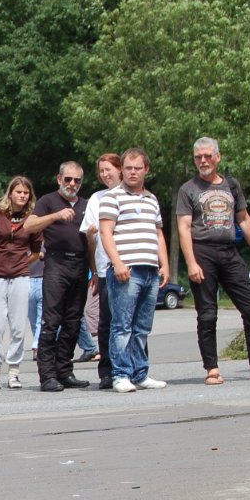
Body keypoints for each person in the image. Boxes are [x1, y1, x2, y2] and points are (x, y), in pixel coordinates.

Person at [174, 137, 250, 383]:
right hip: (202, 251)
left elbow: (244, 219)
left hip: (229, 251)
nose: (203, 161)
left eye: (207, 156)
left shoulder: (231, 185)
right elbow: (183, 228)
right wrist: (191, 262)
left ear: (218, 157)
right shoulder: (188, 189)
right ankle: (212, 368)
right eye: (198, 157)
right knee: (207, 314)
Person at [99, 148, 170, 392]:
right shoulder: (112, 196)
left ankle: (141, 373)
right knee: (122, 325)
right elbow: (105, 232)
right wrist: (117, 262)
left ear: (146, 170)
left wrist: (165, 264)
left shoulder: (151, 199)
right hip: (126, 269)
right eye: (128, 168)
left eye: (137, 168)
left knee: (142, 327)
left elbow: (158, 233)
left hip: (150, 270)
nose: (132, 172)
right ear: (122, 170)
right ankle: (120, 374)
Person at [24, 161, 91, 392]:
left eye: (77, 180)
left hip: (81, 263)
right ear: (59, 179)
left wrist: (95, 273)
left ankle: (65, 370)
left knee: (73, 321)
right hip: (56, 262)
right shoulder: (48, 201)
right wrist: (55, 216)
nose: (72, 184)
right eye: (68, 179)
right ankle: (47, 375)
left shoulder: (87, 204)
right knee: (51, 321)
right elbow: (29, 225)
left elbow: (92, 240)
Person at [0, 176, 40, 391]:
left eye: (26, 193)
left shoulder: (31, 219)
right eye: (19, 192)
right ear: (11, 193)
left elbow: (35, 251)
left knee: (18, 326)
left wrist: (21, 263)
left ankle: (14, 371)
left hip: (20, 275)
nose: (22, 196)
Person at [79, 153, 123, 388]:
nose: (106, 174)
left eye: (109, 169)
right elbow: (90, 236)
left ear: (120, 170)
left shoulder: (131, 194)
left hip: (128, 265)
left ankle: (129, 366)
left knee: (128, 321)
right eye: (102, 171)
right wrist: (94, 271)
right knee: (106, 321)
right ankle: (107, 370)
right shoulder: (96, 198)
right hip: (105, 268)